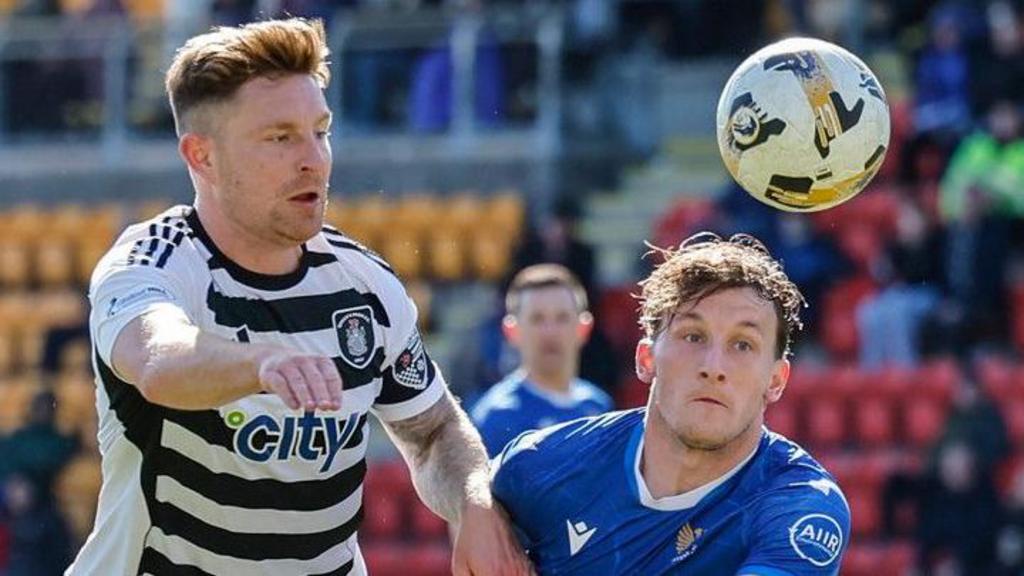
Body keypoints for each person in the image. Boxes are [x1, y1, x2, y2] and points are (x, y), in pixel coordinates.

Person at [66, 18, 529, 576]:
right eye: (280, 138)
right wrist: (262, 360)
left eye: (321, 130)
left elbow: (432, 432)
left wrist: (475, 498)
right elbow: (160, 362)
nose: (314, 159)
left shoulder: (365, 285)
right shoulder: (153, 261)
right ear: (202, 156)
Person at [491, 232, 851, 574]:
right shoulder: (544, 463)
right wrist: (476, 503)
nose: (714, 368)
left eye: (743, 344)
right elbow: (453, 468)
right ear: (647, 359)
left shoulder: (800, 506)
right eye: (693, 336)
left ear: (776, 380)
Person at [470, 264, 612, 458]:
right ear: (512, 331)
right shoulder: (496, 417)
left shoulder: (599, 406)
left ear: (584, 328)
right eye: (537, 319)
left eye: (562, 318)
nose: (550, 332)